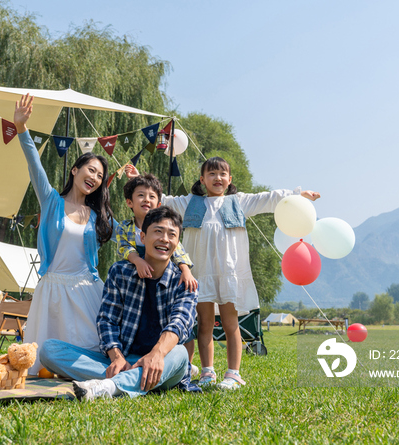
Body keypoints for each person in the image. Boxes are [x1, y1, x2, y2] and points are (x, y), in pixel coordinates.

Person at [127, 158, 320, 389]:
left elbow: (268, 198)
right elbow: (161, 199)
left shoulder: (238, 202)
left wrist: (297, 195)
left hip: (229, 273)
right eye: (212, 174)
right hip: (200, 272)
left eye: (222, 174)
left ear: (229, 180)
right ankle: (208, 372)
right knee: (205, 324)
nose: (217, 178)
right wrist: (140, 180)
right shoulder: (190, 202)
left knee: (231, 323)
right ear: (202, 179)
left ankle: (233, 373)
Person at [39, 207, 197, 400]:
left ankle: (108, 386)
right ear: (142, 236)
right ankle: (134, 381)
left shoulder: (185, 282)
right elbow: (107, 320)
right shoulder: (120, 272)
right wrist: (116, 357)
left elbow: (180, 324)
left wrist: (155, 354)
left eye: (172, 235)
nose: (165, 239)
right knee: (49, 350)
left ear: (177, 242)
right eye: (158, 231)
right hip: (125, 359)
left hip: (163, 359)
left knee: (180, 353)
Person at [13, 94, 114, 375]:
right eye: (90, 170)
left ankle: (99, 376)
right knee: (45, 360)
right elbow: (35, 167)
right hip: (53, 288)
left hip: (86, 289)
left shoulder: (98, 217)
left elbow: (129, 238)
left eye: (99, 176)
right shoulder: (52, 201)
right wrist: (22, 129)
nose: (94, 177)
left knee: (93, 345)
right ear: (75, 170)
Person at [115, 173, 200, 377]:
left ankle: (183, 365)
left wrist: (185, 270)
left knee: (183, 328)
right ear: (129, 202)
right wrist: (137, 260)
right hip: (136, 274)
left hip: (162, 276)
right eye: (141, 196)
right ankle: (131, 367)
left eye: (152, 197)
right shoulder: (125, 227)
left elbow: (178, 250)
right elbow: (123, 248)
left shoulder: (169, 228)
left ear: (159, 203)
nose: (147, 200)